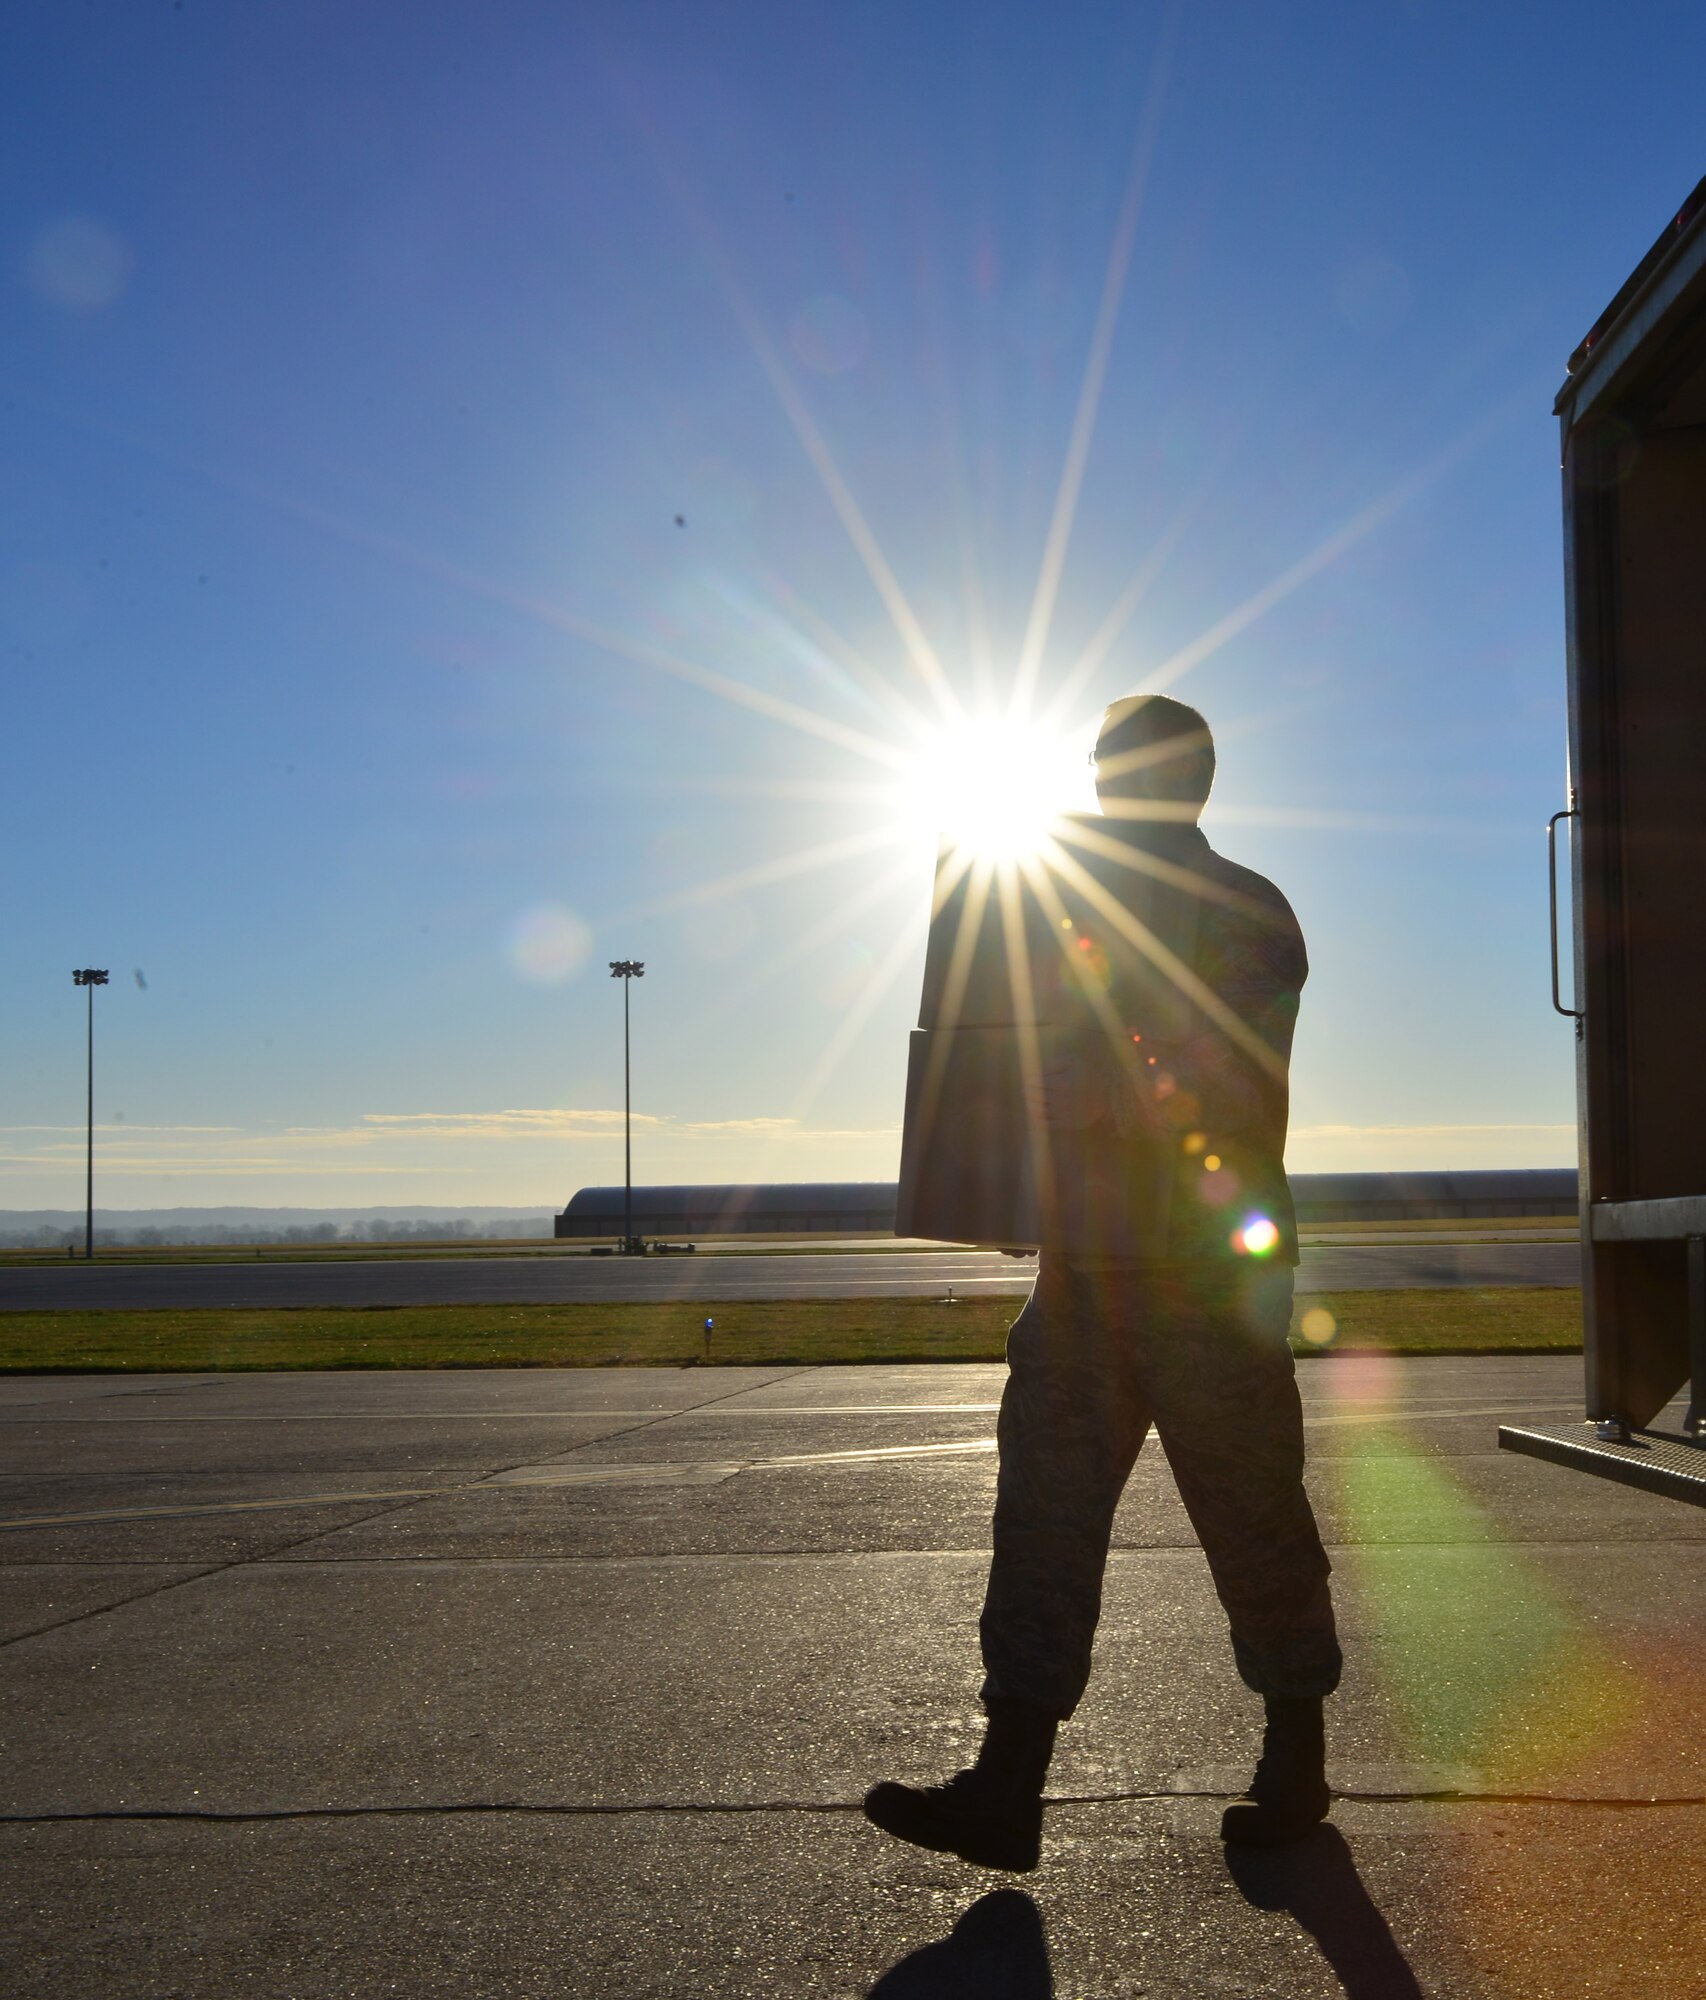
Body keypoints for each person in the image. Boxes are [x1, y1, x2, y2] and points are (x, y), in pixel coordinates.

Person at [864, 694, 1341, 1872]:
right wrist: (992, 1159)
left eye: (1128, 766)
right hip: (1085, 1277)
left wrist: (1101, 1090)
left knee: (1251, 1515)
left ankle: (1294, 1759)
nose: (1108, 786)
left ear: (1189, 777)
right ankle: (1007, 1783)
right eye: (1102, 767)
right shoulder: (1067, 912)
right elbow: (1014, 1056)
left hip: (1203, 1278)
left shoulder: (1245, 908)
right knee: (1040, 1520)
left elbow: (1229, 1066)